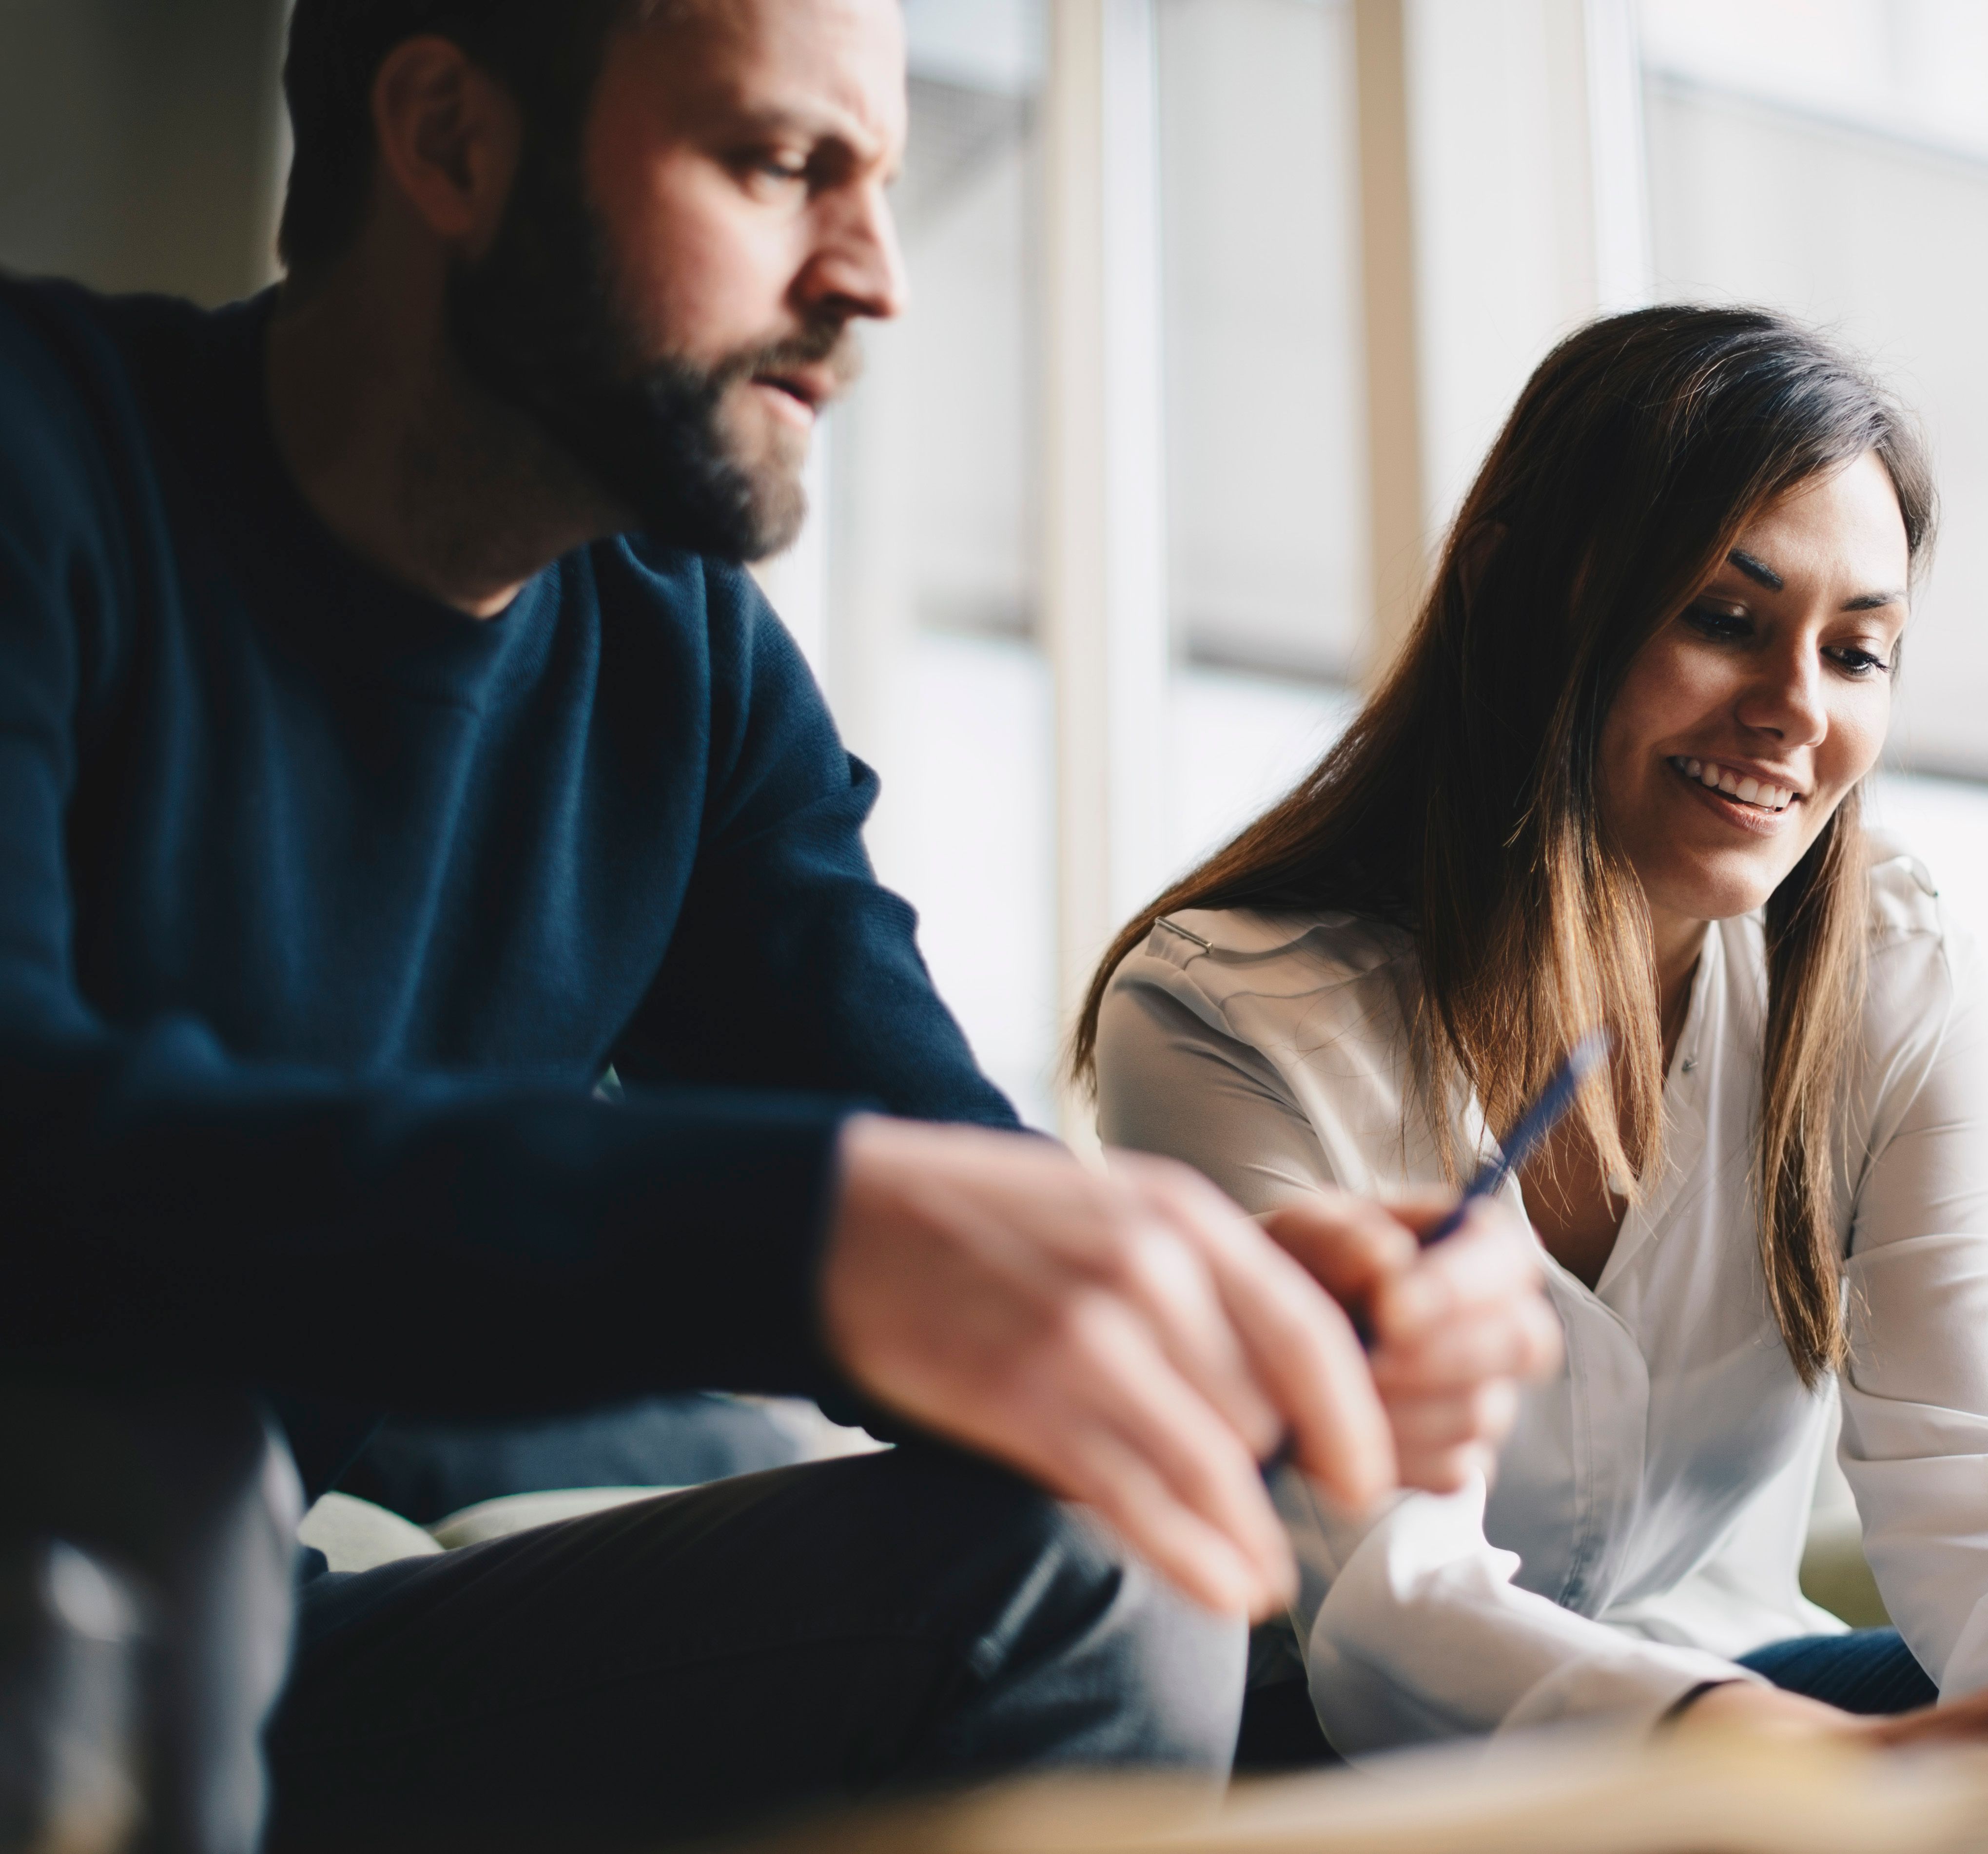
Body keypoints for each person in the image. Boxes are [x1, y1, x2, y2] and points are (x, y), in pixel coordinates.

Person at [0, 0, 1559, 1848]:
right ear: (449, 140)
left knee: (1103, 1548)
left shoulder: (691, 667)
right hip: (98, 1579)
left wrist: (1227, 1310)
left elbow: (935, 1170)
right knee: (142, 1466)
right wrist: (818, 1233)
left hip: (269, 1669)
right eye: (778, 164)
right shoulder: (44, 453)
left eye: (881, 183)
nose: (877, 276)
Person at [1080, 305, 1988, 1762]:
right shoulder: (1223, 1016)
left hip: (1736, 1670)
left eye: (1856, 653)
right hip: (1354, 1740)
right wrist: (1790, 1755)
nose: (1793, 710)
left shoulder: (1889, 975)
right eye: (1723, 620)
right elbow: (1384, 1595)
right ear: (1521, 594)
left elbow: (1975, 1462)